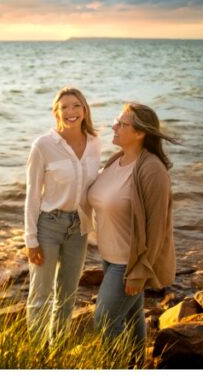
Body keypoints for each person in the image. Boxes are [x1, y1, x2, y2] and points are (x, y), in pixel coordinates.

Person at [86, 103, 179, 359]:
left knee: (104, 319)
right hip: (109, 256)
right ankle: (137, 365)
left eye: (122, 124)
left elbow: (157, 227)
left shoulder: (152, 170)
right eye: (117, 121)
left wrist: (140, 270)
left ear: (140, 133)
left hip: (129, 262)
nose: (114, 127)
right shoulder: (117, 159)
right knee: (131, 316)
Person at [24, 86, 102, 344]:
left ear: (84, 110)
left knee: (67, 295)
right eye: (64, 107)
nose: (71, 111)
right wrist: (30, 239)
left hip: (78, 228)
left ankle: (56, 349)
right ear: (55, 112)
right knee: (40, 295)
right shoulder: (43, 146)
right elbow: (33, 194)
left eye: (76, 105)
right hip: (49, 225)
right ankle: (36, 354)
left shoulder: (94, 143)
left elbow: (94, 185)